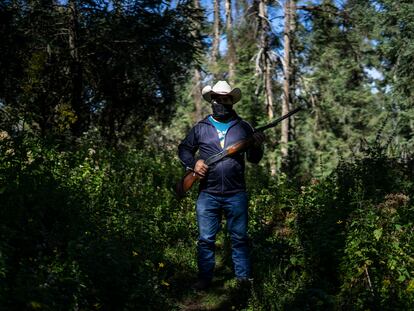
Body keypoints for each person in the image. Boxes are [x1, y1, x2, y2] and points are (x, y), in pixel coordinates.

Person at [178, 80, 265, 290]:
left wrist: (257, 144)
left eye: (226, 99)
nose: (221, 103)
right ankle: (205, 279)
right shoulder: (201, 128)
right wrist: (194, 163)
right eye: (218, 99)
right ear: (212, 100)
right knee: (206, 240)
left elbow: (254, 158)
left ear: (232, 102)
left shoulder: (244, 127)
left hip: (236, 193)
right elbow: (184, 149)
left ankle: (243, 281)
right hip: (208, 193)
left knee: (239, 238)